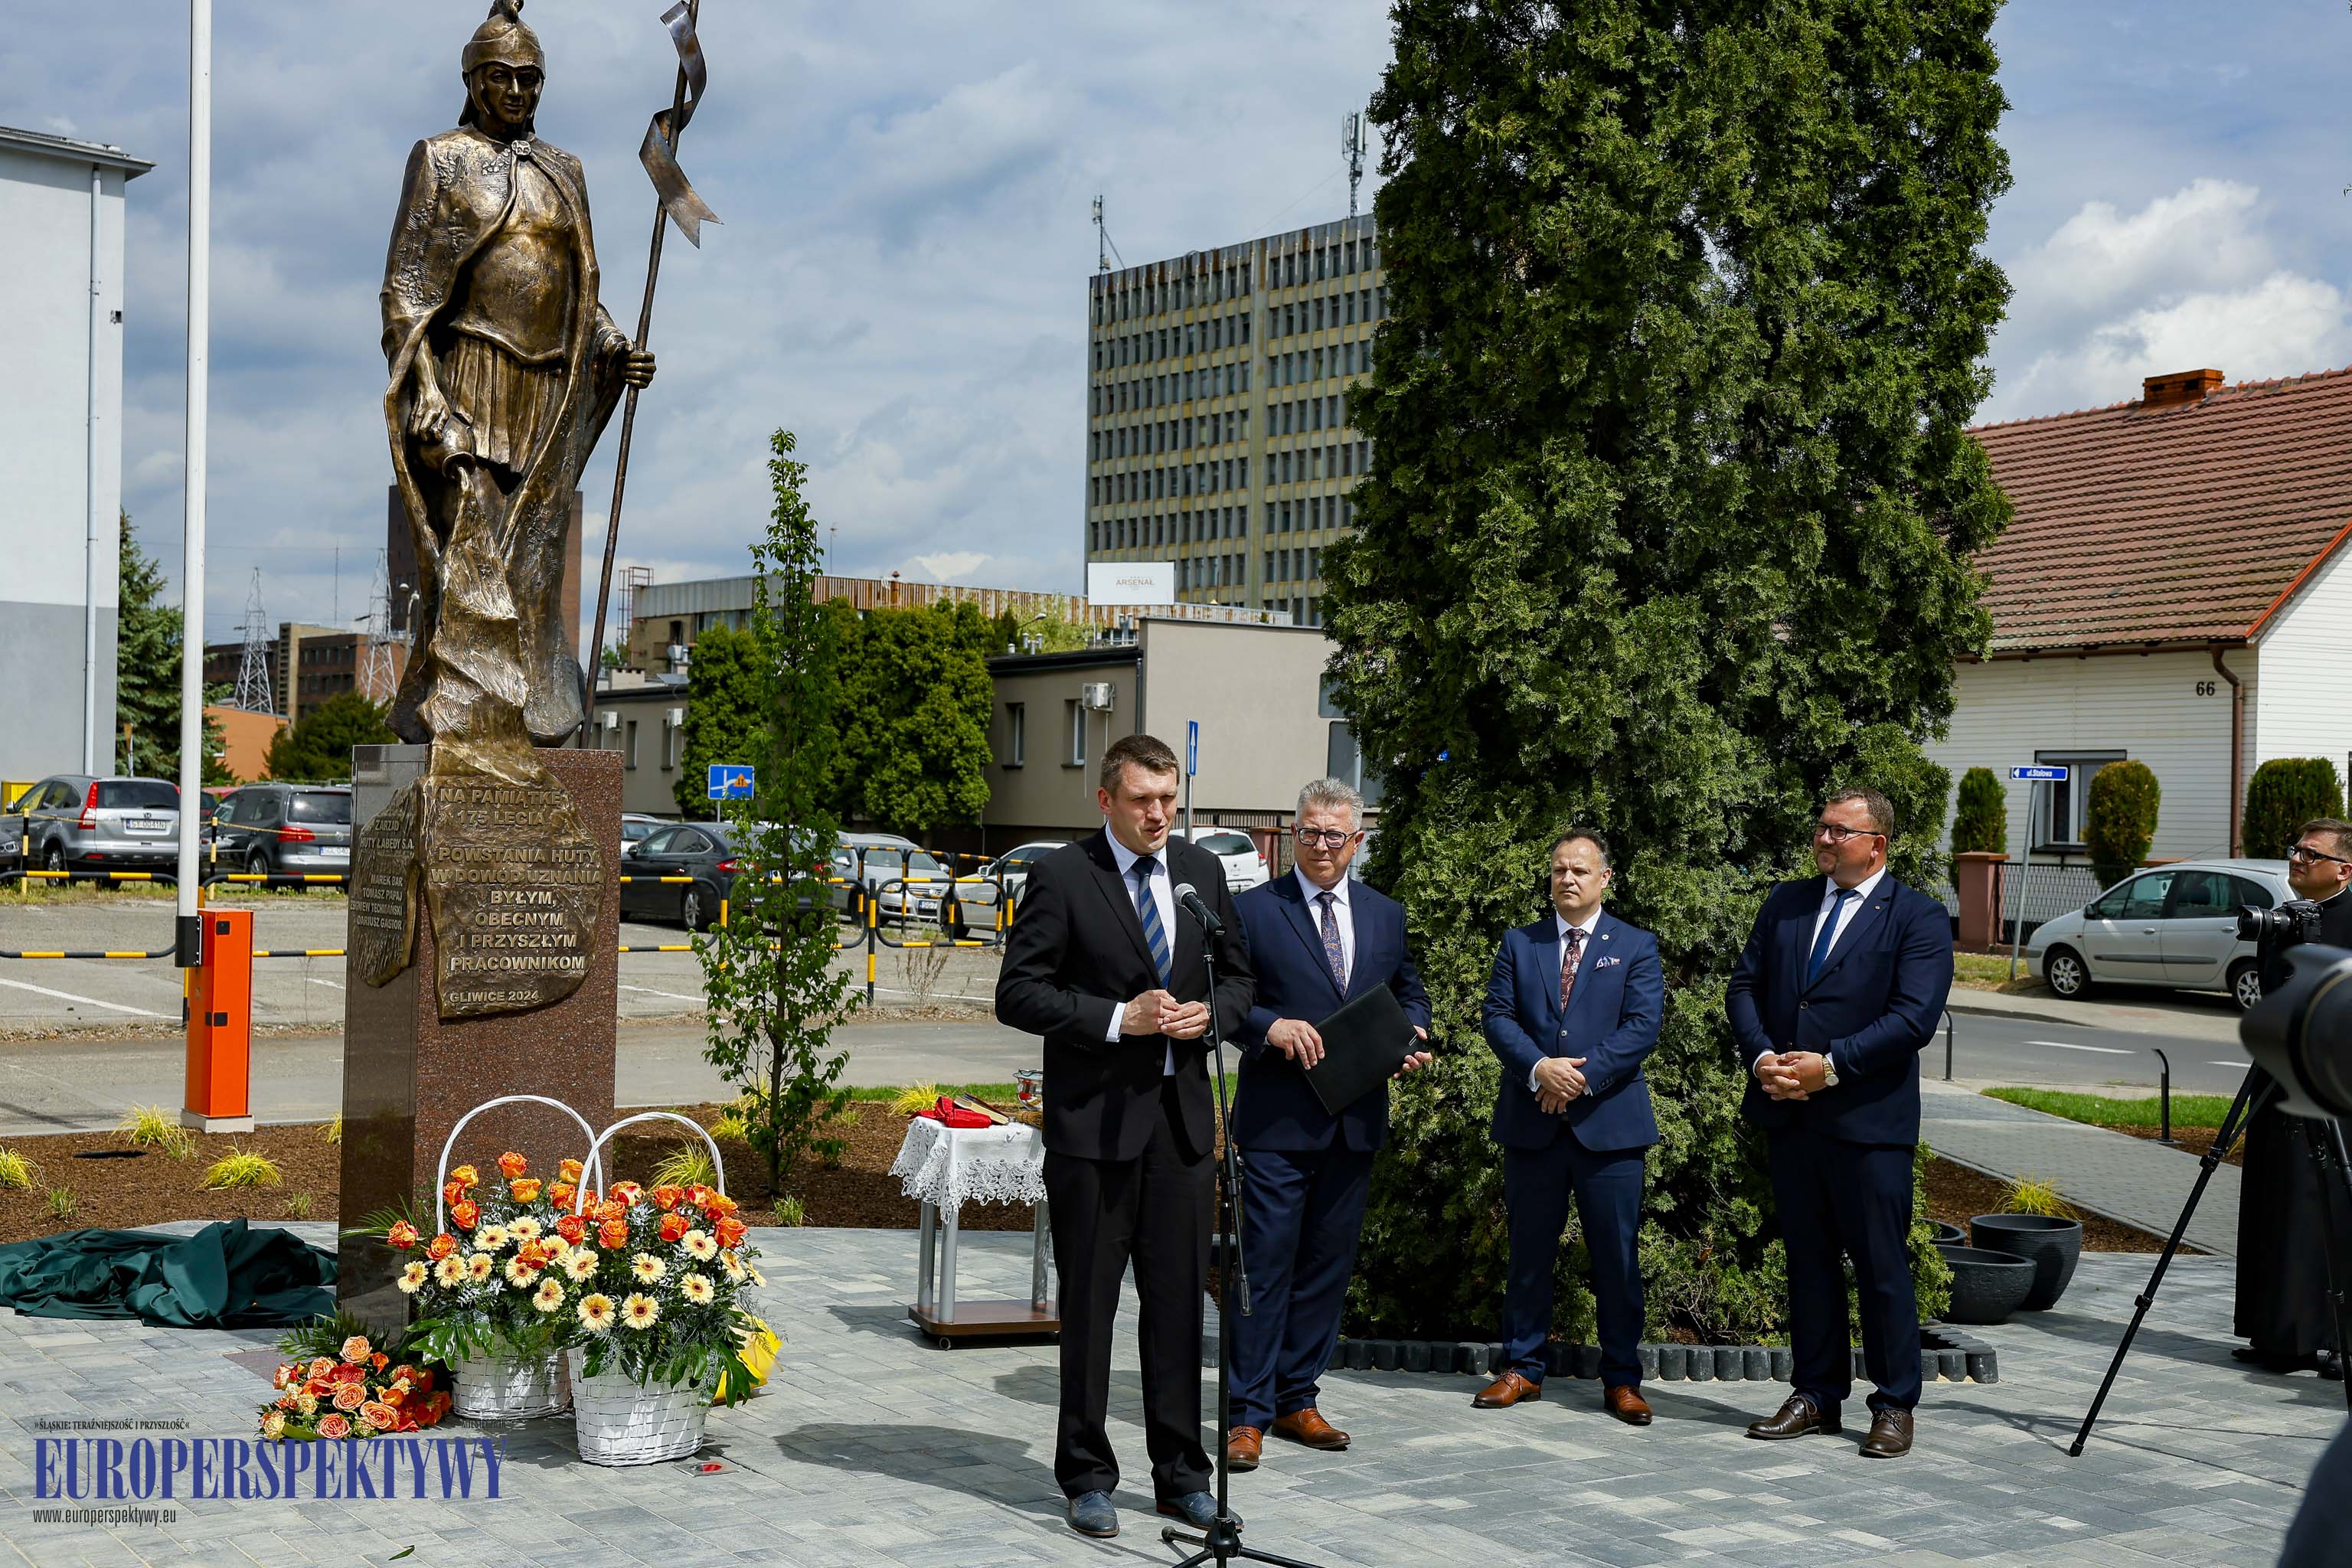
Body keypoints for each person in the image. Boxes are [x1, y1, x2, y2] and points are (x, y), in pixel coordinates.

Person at [995, 733, 1256, 1540]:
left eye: (1170, 801)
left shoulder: (1201, 874)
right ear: (1105, 799)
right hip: (1094, 1131)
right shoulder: (1064, 876)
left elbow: (1241, 976)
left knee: (1178, 1309)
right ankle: (1087, 1472)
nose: (1160, 816)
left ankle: (1182, 1475)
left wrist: (1212, 1014)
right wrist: (1117, 1019)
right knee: (1093, 1308)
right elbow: (1019, 992)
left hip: (1181, 1129)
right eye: (1144, 800)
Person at [382, 0, 655, 745]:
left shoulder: (565, 170)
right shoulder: (441, 158)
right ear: (473, 81)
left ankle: (537, 704)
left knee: (536, 557)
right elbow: (406, 289)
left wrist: (611, 342)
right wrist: (427, 393)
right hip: (471, 375)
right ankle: (456, 708)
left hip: (549, 390)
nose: (517, 92)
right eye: (502, 78)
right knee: (473, 547)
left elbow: (581, 284)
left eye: (531, 80)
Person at [1726, 786, 1952, 1459]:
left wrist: (1831, 1066)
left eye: (1839, 832)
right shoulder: (1786, 902)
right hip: (1791, 1116)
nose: (1824, 840)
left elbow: (1913, 1019)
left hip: (1867, 1122)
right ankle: (1818, 1394)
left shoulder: (1918, 916)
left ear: (1876, 845)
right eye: (1821, 828)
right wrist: (1764, 1056)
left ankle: (1893, 1404)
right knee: (1809, 1263)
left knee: (1882, 1265)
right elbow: (1744, 987)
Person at [1222, 779, 1432, 1472]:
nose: (1320, 846)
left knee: (1325, 1271)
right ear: (1293, 832)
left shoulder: (1385, 914)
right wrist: (1270, 1026)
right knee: (1266, 1269)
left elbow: (1407, 989)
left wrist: (1414, 1032)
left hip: (1356, 1121)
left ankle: (1296, 1400)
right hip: (1278, 1123)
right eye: (1309, 832)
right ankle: (1246, 1415)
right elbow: (1225, 997)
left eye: (1333, 835)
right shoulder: (1254, 910)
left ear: (1356, 841)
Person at [1471, 829, 1664, 1425]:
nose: (1568, 879)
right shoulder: (1518, 944)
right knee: (1528, 1255)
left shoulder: (1635, 946)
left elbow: (1641, 1027)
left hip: (1609, 1129)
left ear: (1606, 878)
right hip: (1533, 1128)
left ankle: (1623, 1378)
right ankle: (1523, 1369)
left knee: (1617, 1258)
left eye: (1580, 870)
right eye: (1558, 870)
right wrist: (1538, 1070)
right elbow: (1497, 1017)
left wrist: (1577, 1079)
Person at [2235, 816, 2352, 1380]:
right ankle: (2276, 1334)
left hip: (2332, 1087)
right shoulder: (2281, 919)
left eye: (2311, 854)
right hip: (2277, 1077)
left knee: (2323, 1207)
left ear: (2343, 869)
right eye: (2296, 850)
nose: (2298, 860)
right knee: (2272, 1198)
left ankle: (2332, 1338)